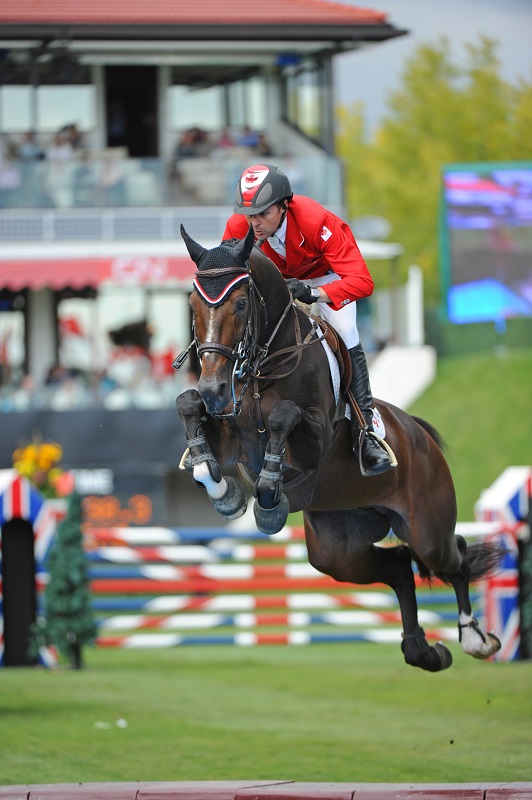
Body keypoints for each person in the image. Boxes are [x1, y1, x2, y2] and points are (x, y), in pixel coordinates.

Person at [222, 163, 393, 476]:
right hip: (274, 286)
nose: (255, 224)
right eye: (250, 216)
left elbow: (362, 281)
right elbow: (228, 279)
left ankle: (365, 425)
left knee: (344, 328)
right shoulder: (238, 227)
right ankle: (223, 415)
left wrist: (314, 294)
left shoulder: (316, 221)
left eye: (263, 214)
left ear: (285, 206)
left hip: (324, 281)